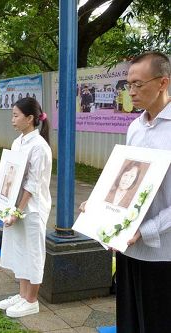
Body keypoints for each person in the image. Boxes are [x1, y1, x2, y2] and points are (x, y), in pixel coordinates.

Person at [84, 51, 170, 332]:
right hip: (128, 247)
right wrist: (98, 205)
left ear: (163, 83)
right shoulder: (135, 126)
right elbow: (125, 180)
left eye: (137, 84)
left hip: (162, 253)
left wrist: (144, 230)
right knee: (129, 321)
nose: (130, 91)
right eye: (127, 84)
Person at [0, 97, 51, 318]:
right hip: (16, 206)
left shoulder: (39, 146)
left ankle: (31, 300)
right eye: (12, 114)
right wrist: (3, 205)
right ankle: (22, 295)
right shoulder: (18, 142)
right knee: (19, 249)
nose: (13, 119)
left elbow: (32, 185)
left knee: (33, 252)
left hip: (32, 209)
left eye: (16, 115)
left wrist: (17, 211)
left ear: (30, 118)